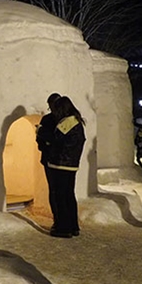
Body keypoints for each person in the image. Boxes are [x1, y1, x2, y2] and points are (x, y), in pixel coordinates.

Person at [44, 95, 87, 238]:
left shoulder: (67, 123)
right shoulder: (77, 121)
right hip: (72, 165)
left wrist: (43, 135)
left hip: (60, 165)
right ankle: (73, 226)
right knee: (69, 195)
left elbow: (56, 140)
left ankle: (63, 228)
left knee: (60, 197)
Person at [36, 93, 62, 219]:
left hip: (62, 161)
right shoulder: (47, 120)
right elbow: (39, 139)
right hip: (50, 159)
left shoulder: (64, 120)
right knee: (54, 189)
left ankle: (62, 219)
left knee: (60, 190)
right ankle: (57, 217)